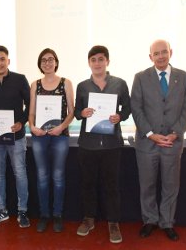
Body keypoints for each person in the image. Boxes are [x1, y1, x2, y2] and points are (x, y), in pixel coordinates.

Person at [131, 39, 186, 241]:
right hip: (147, 143)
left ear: (171, 52)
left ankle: (167, 222)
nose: (160, 56)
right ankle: (149, 220)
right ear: (150, 57)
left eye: (163, 52)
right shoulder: (140, 78)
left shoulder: (185, 78)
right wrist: (150, 133)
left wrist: (176, 132)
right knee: (147, 185)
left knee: (170, 186)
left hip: (172, 143)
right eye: (156, 53)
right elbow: (136, 108)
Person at [74, 46, 131, 243]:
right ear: (89, 63)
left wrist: (119, 116)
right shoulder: (82, 86)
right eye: (93, 60)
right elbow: (76, 112)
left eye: (101, 59)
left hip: (111, 144)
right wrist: (82, 114)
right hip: (87, 145)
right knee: (87, 184)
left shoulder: (120, 84)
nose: (97, 63)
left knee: (111, 186)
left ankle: (113, 223)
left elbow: (128, 108)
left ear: (107, 61)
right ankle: (88, 219)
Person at [0, 45, 31, 228]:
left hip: (16, 135)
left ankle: (22, 211)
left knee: (20, 172)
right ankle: (1, 210)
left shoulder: (19, 79)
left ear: (8, 61)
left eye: (2, 59)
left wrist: (22, 122)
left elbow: (30, 103)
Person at [28, 48, 74, 233]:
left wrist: (61, 127)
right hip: (39, 136)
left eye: (51, 59)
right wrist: (31, 127)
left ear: (56, 62)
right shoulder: (35, 84)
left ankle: (57, 214)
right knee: (42, 177)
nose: (47, 63)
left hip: (60, 136)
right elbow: (31, 112)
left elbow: (72, 111)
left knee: (58, 176)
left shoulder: (66, 83)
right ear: (40, 64)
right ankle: (44, 214)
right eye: (44, 60)